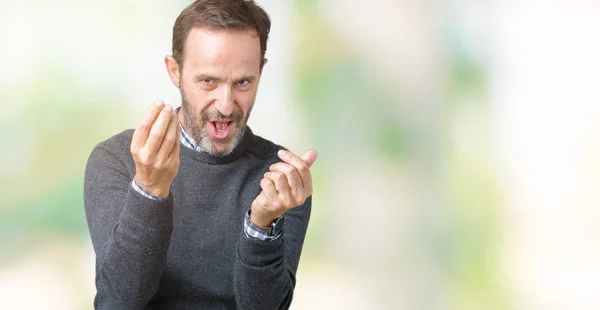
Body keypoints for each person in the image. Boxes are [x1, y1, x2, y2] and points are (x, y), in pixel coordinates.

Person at [83, 1, 317, 309]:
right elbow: (119, 301)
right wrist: (149, 191)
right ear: (174, 71)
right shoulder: (117, 160)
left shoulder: (281, 180)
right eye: (208, 81)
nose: (225, 104)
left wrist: (262, 225)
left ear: (261, 71)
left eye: (243, 82)